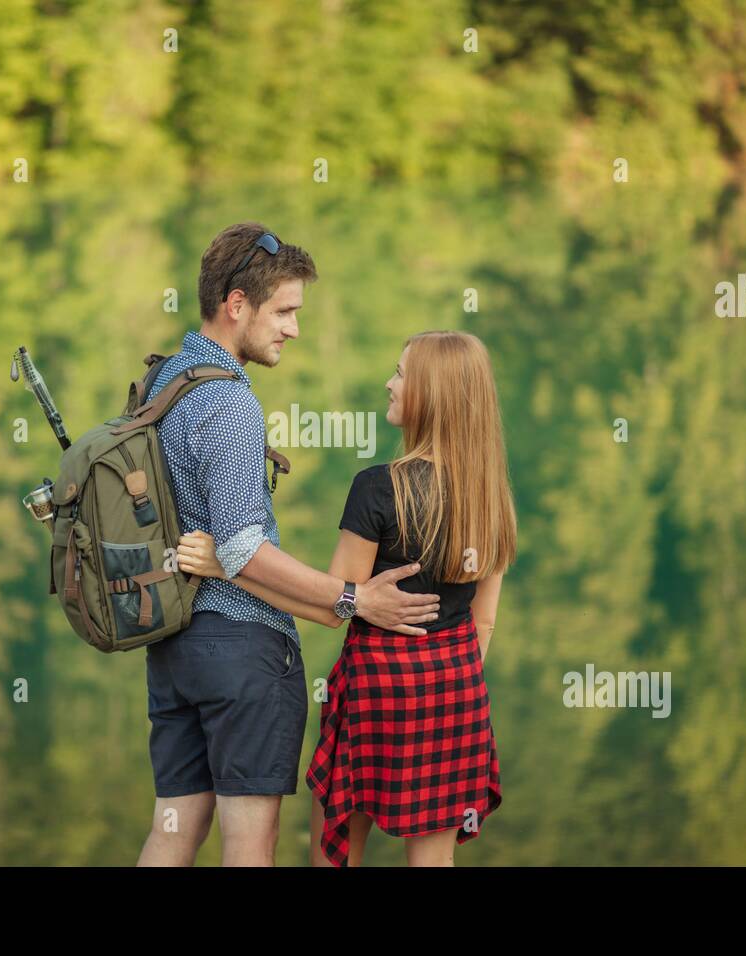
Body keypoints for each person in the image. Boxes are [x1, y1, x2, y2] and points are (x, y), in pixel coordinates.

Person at [136, 222, 441, 868]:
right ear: (236, 304)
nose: (294, 329)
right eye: (284, 311)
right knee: (251, 845)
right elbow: (243, 550)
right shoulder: (231, 404)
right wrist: (353, 598)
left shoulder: (167, 381)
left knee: (173, 831)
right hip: (244, 657)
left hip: (175, 648)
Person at [178, 330, 516, 866]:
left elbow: (335, 604)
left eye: (402, 374)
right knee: (433, 861)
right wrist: (449, 682)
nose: (390, 382)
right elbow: (484, 622)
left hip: (377, 689)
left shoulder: (379, 488)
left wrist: (227, 566)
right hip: (456, 692)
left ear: (431, 394)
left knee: (336, 853)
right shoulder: (492, 497)